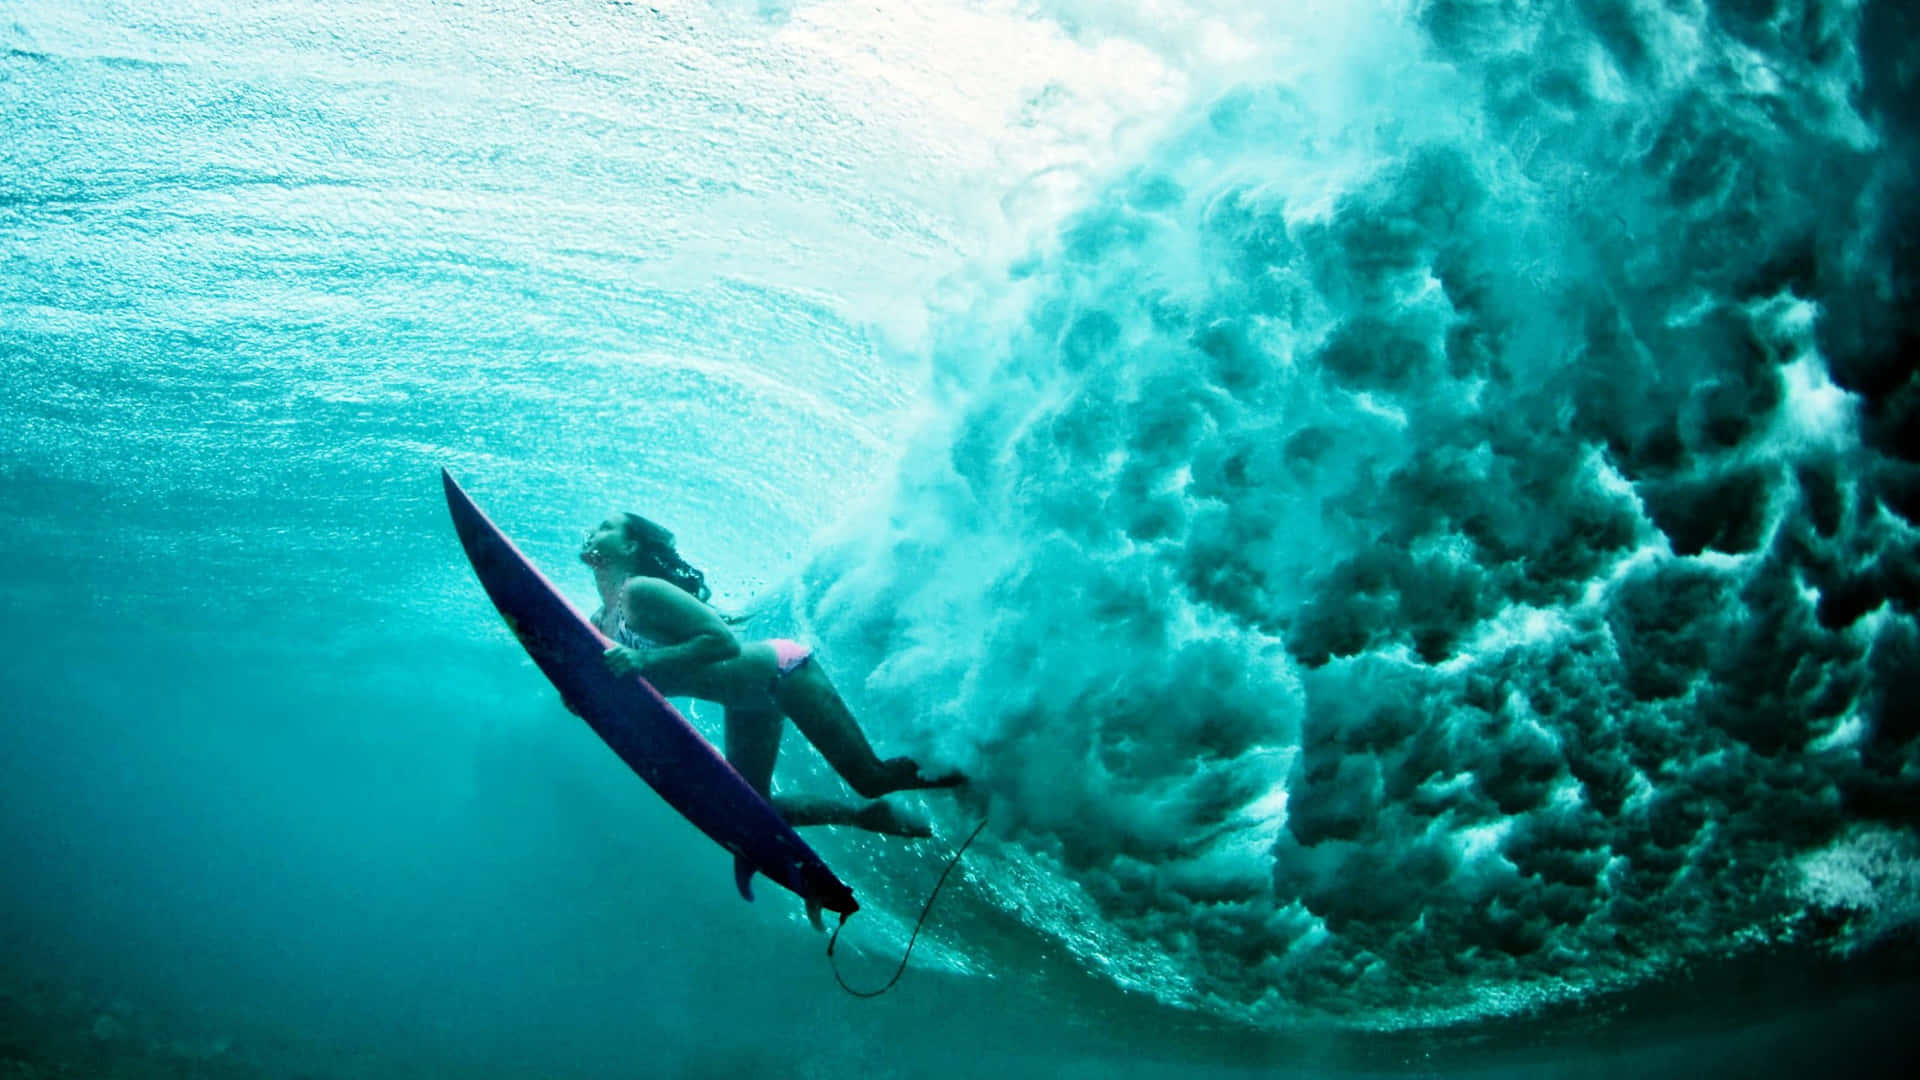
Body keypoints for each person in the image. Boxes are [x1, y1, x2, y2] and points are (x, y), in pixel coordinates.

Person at [579, 512, 962, 837]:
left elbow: (722, 642)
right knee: (753, 808)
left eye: (606, 528)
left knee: (870, 778)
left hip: (782, 673)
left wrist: (644, 662)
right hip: (746, 701)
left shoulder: (641, 592)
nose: (594, 533)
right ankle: (862, 817)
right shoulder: (602, 623)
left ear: (631, 547)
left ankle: (977, 771)